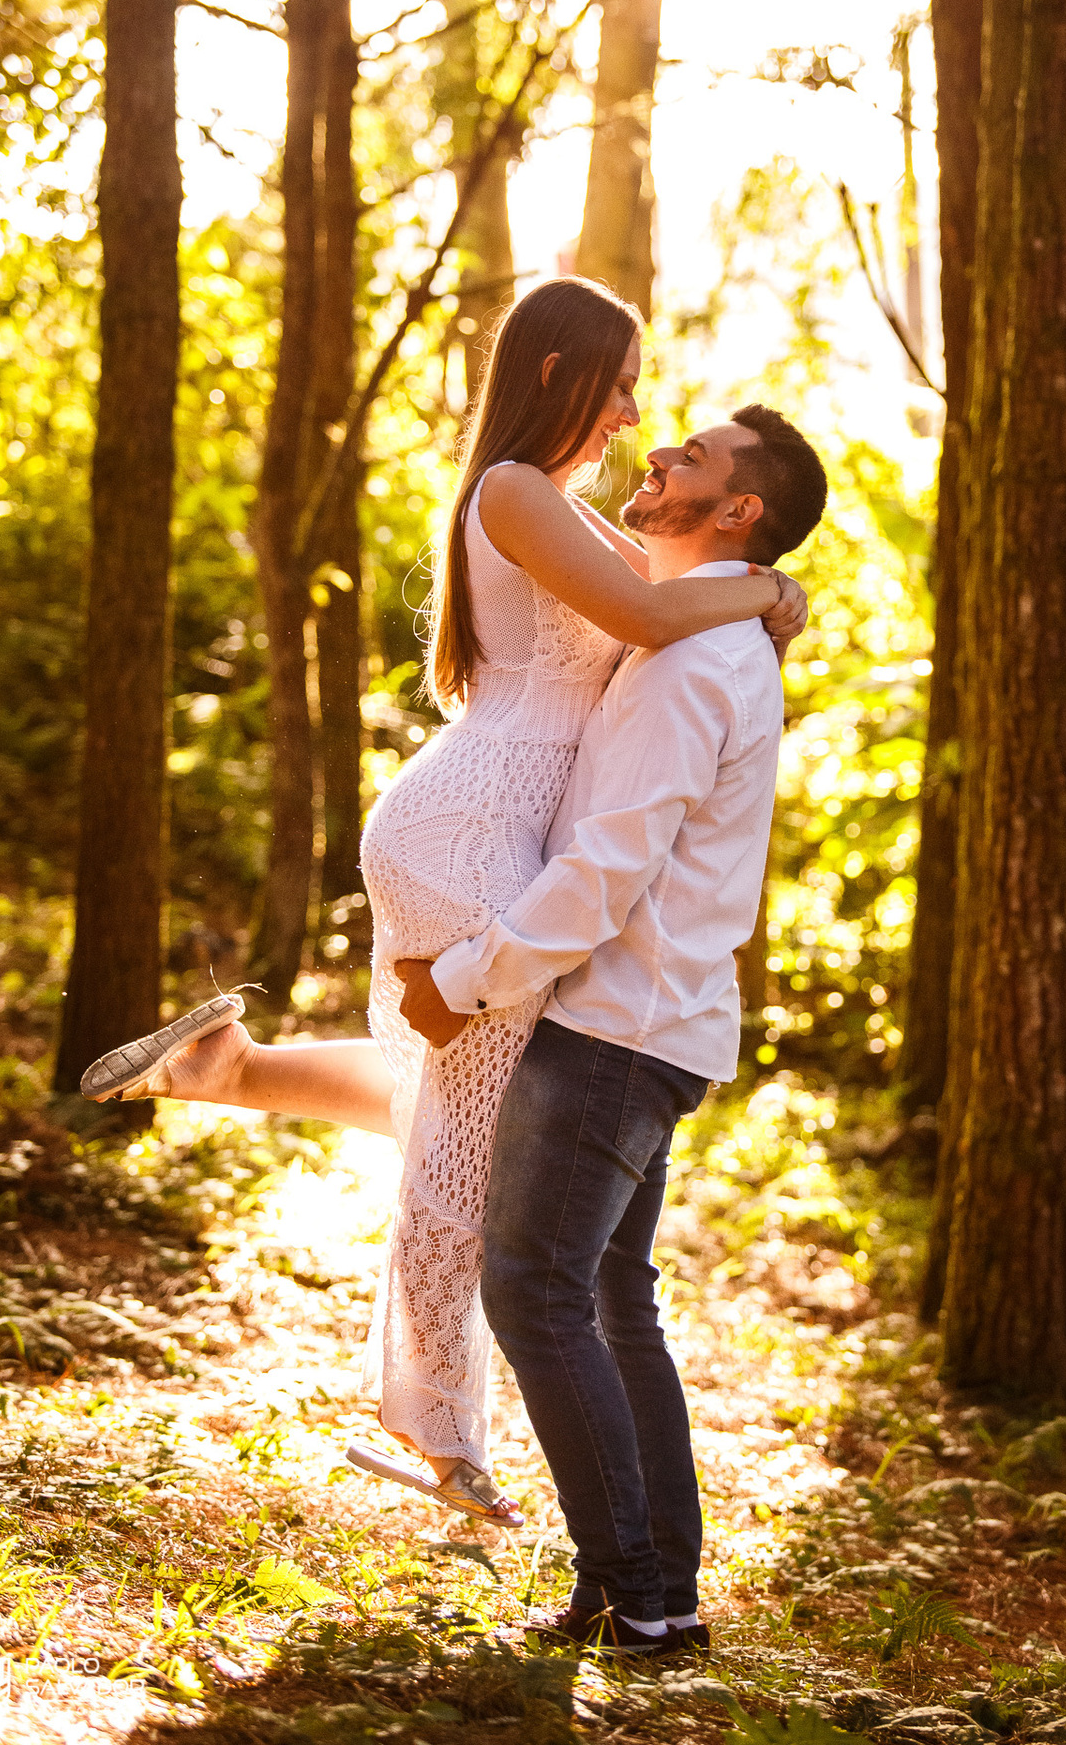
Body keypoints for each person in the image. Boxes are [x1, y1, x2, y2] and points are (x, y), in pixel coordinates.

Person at [80, 277, 807, 1528]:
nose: (636, 410)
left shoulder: (570, 512)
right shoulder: (518, 491)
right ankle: (441, 1432)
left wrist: (755, 585)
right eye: (622, 379)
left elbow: (667, 596)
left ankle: (231, 1070)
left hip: (493, 824)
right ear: (553, 372)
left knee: (470, 1105)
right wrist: (769, 591)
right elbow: (652, 612)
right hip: (473, 825)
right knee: (477, 1137)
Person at [394, 405, 828, 1651]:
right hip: (651, 1021)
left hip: (616, 1032)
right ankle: (649, 1589)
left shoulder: (697, 658)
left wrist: (466, 979)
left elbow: (604, 872)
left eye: (691, 458)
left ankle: (642, 1596)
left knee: (533, 1293)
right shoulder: (704, 627)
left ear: (738, 509)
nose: (659, 457)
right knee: (610, 1298)